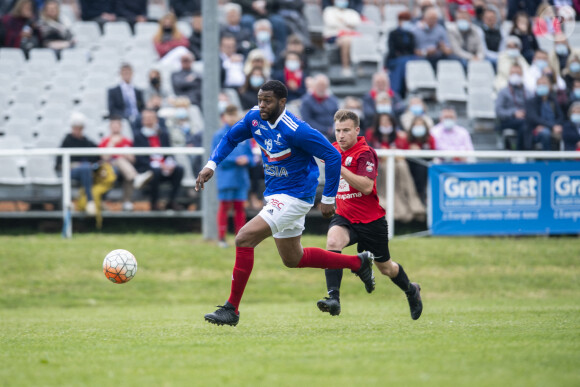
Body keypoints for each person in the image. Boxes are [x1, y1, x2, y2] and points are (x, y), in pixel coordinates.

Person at [196, 80, 376, 326]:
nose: (261, 105)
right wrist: (211, 165)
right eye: (260, 99)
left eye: (267, 100)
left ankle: (231, 310)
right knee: (293, 259)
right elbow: (230, 138)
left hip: (295, 196)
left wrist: (328, 198)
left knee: (243, 238)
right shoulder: (253, 119)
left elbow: (332, 156)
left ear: (282, 102)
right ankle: (358, 262)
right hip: (276, 193)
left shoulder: (296, 129)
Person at [315, 109, 422, 319]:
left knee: (387, 268)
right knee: (332, 243)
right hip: (345, 216)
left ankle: (411, 290)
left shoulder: (365, 153)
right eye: (338, 130)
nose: (341, 135)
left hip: (371, 221)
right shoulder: (333, 150)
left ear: (357, 130)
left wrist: (338, 166)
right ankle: (333, 298)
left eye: (346, 130)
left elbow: (366, 186)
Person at [212, 105, 254, 248]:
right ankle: (221, 238)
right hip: (226, 177)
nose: (232, 118)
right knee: (224, 207)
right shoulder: (219, 135)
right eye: (229, 115)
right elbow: (216, 156)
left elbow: (250, 156)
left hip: (241, 178)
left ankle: (240, 238)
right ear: (224, 117)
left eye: (234, 114)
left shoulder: (244, 134)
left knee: (239, 207)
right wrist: (234, 160)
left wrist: (247, 160)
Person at [98, 116, 153, 212]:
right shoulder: (105, 141)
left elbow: (133, 160)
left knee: (127, 172)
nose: (115, 128)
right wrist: (111, 145)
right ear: (110, 127)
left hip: (125, 169)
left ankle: (127, 201)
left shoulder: (127, 141)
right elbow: (103, 158)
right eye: (113, 126)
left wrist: (127, 155)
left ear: (121, 127)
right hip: (109, 167)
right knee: (120, 161)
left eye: (117, 126)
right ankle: (137, 178)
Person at [133, 109, 184, 211]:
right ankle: (154, 203)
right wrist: (159, 165)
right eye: (146, 118)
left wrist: (170, 164)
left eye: (151, 118)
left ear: (156, 120)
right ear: (142, 120)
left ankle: (171, 201)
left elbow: (168, 152)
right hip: (149, 168)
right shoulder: (138, 136)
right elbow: (140, 159)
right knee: (155, 172)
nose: (149, 121)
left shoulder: (163, 134)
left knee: (179, 169)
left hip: (164, 167)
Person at [55, 112, 99, 215]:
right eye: (75, 127)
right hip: (70, 172)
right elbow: (59, 163)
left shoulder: (86, 142)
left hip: (85, 172)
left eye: (79, 128)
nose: (77, 130)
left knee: (86, 168)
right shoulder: (67, 141)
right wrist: (75, 165)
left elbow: (97, 156)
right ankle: (89, 201)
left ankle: (87, 202)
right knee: (85, 168)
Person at [524, 75, 565, 150]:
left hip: (553, 128)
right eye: (540, 84)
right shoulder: (531, 102)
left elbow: (561, 116)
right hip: (536, 130)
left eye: (544, 84)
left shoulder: (553, 101)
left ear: (550, 86)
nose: (542, 86)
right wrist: (552, 126)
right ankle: (547, 160)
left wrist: (556, 126)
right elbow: (534, 118)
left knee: (568, 132)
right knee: (545, 133)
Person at [322, 0, 361, 76]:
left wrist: (341, 21)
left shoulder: (351, 12)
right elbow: (331, 22)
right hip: (333, 36)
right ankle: (346, 67)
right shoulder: (329, 10)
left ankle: (359, 67)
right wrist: (347, 24)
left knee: (351, 40)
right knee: (346, 40)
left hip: (350, 36)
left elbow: (356, 22)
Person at [495, 63, 529, 150]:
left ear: (522, 74)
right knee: (524, 124)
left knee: (526, 125)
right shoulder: (503, 92)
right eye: (513, 73)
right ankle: (520, 152)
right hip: (508, 121)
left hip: (525, 120)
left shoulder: (528, 92)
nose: (515, 75)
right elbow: (499, 111)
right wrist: (514, 113)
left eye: (518, 73)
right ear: (509, 74)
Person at [385, 10, 417, 98]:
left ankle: (407, 90)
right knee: (403, 64)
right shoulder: (393, 33)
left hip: (408, 59)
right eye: (404, 20)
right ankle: (396, 92)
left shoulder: (410, 35)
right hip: (395, 60)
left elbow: (412, 49)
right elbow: (392, 50)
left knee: (409, 63)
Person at [299, 74, 339, 141]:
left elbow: (337, 116)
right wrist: (326, 130)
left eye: (324, 86)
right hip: (315, 133)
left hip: (333, 132)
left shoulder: (332, 100)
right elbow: (307, 120)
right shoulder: (306, 101)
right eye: (319, 86)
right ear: (314, 86)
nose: (321, 88)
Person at [107, 63, 145, 130]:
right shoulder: (113, 91)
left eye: (128, 72)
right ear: (120, 74)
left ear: (132, 73)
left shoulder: (138, 91)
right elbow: (112, 109)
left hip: (138, 118)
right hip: (123, 119)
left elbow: (142, 107)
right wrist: (125, 117)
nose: (126, 75)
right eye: (124, 72)